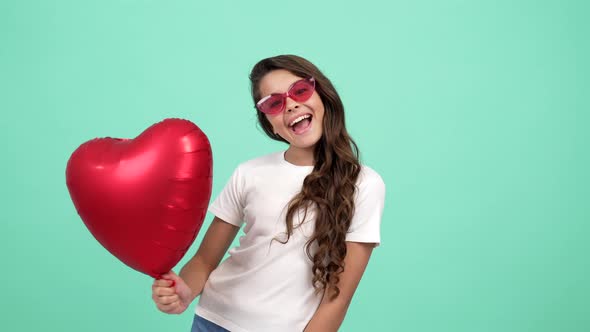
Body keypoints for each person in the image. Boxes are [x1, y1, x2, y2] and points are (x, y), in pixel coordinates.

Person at [151, 54, 386, 332]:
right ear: (269, 123)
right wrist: (184, 291)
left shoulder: (365, 184)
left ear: (322, 93)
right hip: (213, 321)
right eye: (274, 103)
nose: (291, 105)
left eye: (300, 90)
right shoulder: (249, 173)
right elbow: (204, 260)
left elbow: (338, 298)